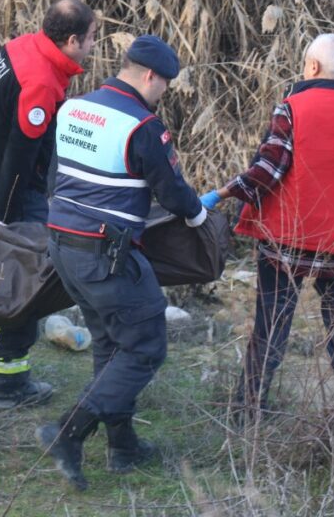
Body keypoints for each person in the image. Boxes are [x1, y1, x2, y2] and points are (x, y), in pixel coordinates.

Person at [199, 33, 334, 425]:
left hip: (285, 241)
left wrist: (220, 193)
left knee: (272, 324)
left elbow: (267, 172)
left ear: (311, 67)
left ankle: (247, 410)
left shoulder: (292, 108)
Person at [38, 35, 208, 490]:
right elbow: (172, 192)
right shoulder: (142, 125)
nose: (163, 95)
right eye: (164, 86)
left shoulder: (74, 107)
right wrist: (200, 216)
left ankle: (122, 445)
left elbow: (55, 174)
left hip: (62, 245)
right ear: (150, 76)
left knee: (111, 343)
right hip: (106, 254)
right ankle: (68, 433)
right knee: (145, 344)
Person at [0, 0, 97, 408]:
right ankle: (4, 380)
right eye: (90, 39)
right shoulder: (41, 81)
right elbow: (19, 156)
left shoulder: (23, 46)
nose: (93, 46)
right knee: (26, 274)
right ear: (71, 40)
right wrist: (8, 218)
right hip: (5, 188)